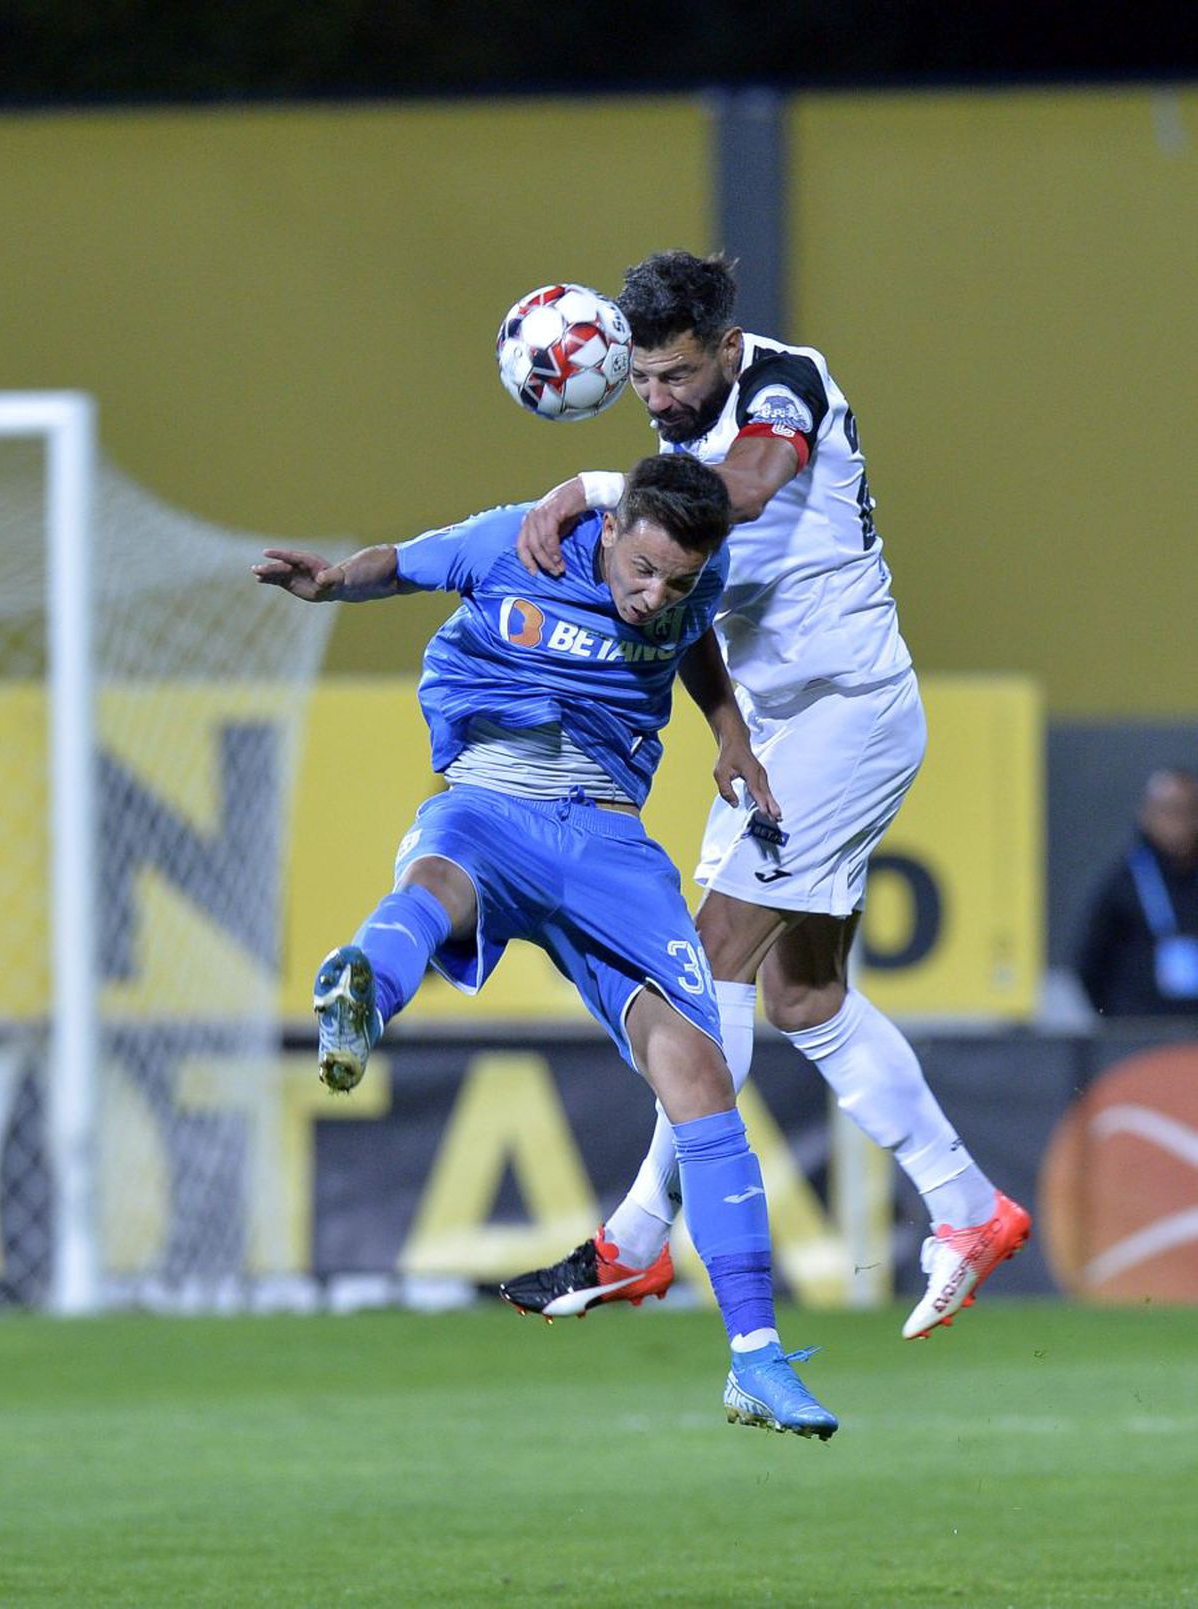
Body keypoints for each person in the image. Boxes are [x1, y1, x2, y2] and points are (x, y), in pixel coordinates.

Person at [500, 250, 1030, 1341]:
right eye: (643, 379)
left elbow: (739, 493)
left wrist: (594, 490)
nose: (660, 398)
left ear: (727, 349)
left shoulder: (781, 383)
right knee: (803, 997)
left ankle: (634, 1239)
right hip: (788, 730)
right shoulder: (673, 445)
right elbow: (690, 601)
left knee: (709, 962)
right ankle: (970, 1207)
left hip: (848, 714)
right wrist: (730, 729)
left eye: (678, 375)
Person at [253, 452, 838, 1440]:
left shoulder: (692, 586)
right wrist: (336, 580)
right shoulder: (521, 539)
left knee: (701, 1074)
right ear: (609, 531)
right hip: (492, 797)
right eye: (642, 571)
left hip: (609, 840)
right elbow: (408, 562)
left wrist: (729, 730)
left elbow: (695, 637)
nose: (653, 598)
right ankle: (359, 999)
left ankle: (756, 1360)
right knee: (436, 884)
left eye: (677, 582)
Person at [1076, 767, 1198, 1017]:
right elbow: (1090, 963)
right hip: (1140, 1025)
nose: (1178, 823)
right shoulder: (1125, 881)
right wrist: (1116, 1018)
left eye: (1186, 811)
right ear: (1147, 815)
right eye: (1168, 810)